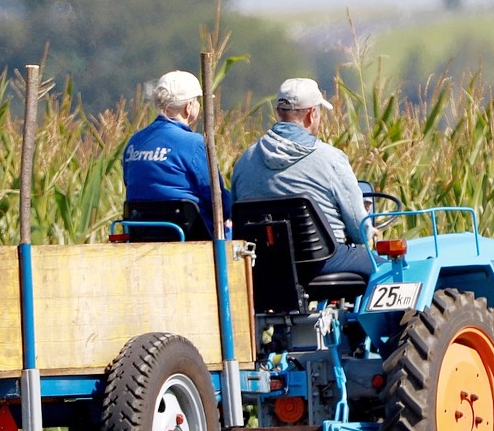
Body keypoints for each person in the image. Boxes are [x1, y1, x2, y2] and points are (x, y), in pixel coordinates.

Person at [231, 77, 374, 278]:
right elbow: (360, 232)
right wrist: (369, 232)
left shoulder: (245, 160)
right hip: (323, 261)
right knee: (386, 268)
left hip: (265, 266)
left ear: (279, 112)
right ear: (311, 113)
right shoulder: (331, 158)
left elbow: (235, 216)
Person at [122, 70, 231, 238]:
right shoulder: (194, 143)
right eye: (197, 101)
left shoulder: (134, 141)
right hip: (190, 235)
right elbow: (216, 198)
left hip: (141, 234)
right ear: (188, 107)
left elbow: (130, 184)